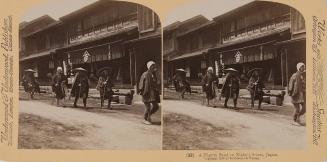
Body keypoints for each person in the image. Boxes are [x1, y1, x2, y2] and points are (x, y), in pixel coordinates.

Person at [139, 61, 160, 125]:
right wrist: (142, 91)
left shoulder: (153, 74)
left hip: (153, 93)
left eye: (154, 66)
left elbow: (156, 83)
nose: (154, 67)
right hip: (146, 92)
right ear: (149, 67)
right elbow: (141, 83)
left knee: (156, 106)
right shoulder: (145, 74)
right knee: (148, 107)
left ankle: (147, 116)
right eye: (152, 66)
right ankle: (146, 119)